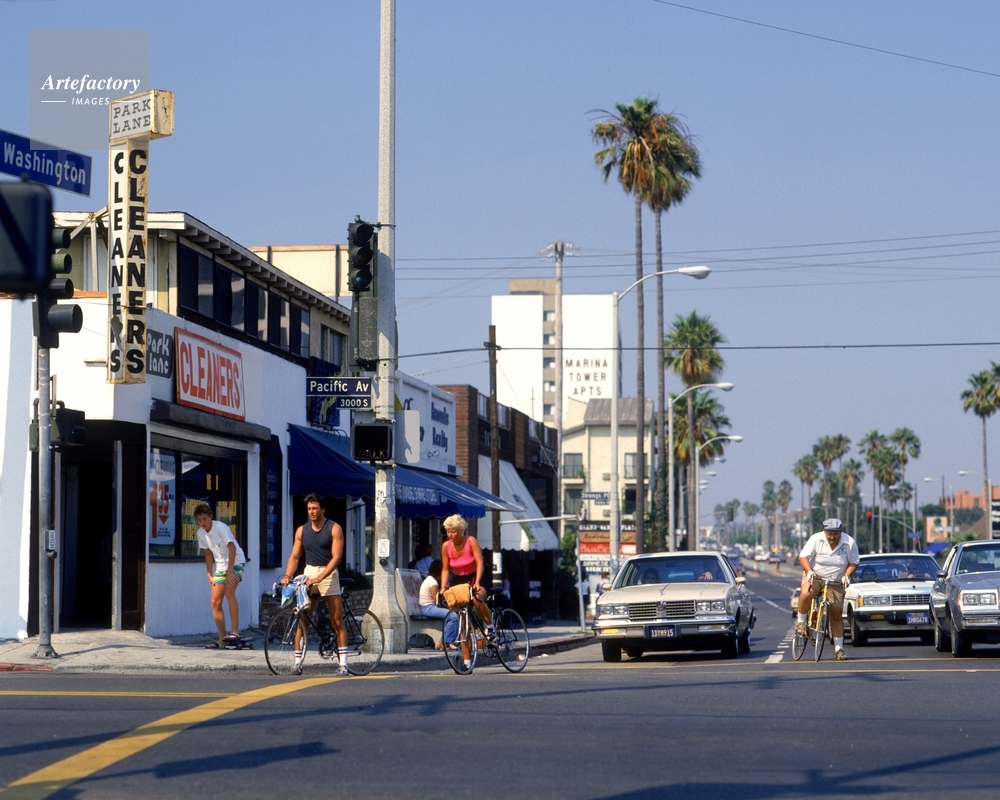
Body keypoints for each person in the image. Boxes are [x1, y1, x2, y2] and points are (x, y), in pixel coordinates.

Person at [279, 494, 349, 675]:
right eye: (309, 508)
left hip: (328, 571)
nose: (311, 512)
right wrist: (287, 575)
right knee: (302, 619)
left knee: (337, 620)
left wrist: (321, 577)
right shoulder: (302, 531)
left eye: (315, 508)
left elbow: (337, 557)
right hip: (309, 571)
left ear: (322, 509)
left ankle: (343, 664)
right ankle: (297, 664)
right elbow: (295, 557)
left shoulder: (334, 528)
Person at [795, 518, 860, 661]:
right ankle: (801, 622)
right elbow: (803, 557)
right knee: (807, 592)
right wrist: (809, 571)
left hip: (835, 581)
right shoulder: (816, 539)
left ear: (840, 532)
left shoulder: (849, 543)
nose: (832, 537)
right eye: (829, 534)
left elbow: (854, 562)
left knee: (836, 614)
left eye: (835, 534)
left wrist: (847, 575)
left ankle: (838, 649)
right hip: (816, 576)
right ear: (824, 532)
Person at [439, 514, 493, 671]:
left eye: (453, 531)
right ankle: (467, 663)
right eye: (448, 531)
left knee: (477, 598)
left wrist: (477, 582)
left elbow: (480, 562)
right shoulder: (446, 546)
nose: (450, 534)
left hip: (476, 576)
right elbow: (445, 569)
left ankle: (490, 626)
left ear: (461, 530)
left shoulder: (471, 541)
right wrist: (443, 587)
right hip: (459, 579)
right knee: (462, 620)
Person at [195, 504, 246, 649]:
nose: (202, 522)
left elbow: (232, 548)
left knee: (229, 592)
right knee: (215, 602)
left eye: (204, 519)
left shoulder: (220, 527)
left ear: (211, 516)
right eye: (199, 520)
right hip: (221, 566)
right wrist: (209, 573)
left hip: (236, 562)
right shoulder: (201, 533)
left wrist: (230, 572)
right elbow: (208, 554)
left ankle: (235, 632)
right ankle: (222, 638)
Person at [418, 560, 458, 649]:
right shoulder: (433, 583)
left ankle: (446, 642)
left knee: (451, 615)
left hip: (426, 607)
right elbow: (436, 601)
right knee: (453, 616)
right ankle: (445, 642)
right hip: (428, 608)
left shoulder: (429, 579)